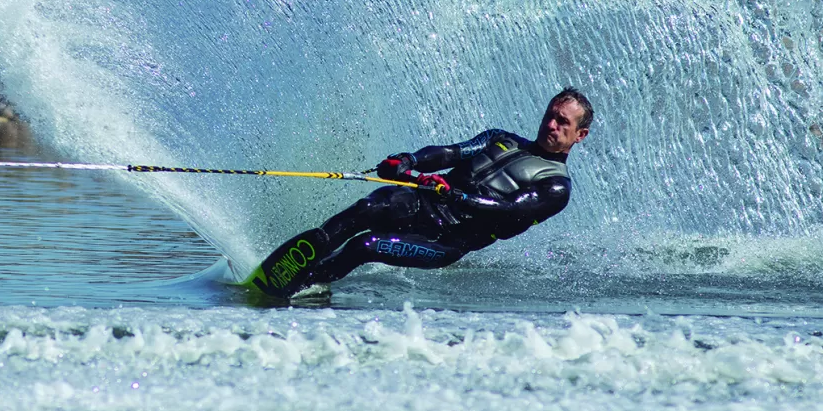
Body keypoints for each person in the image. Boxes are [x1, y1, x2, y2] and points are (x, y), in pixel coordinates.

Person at [246, 87, 593, 299]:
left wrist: (454, 197)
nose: (551, 125)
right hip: (422, 203)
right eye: (551, 115)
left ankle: (304, 287)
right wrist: (408, 160)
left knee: (364, 246)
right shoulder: (498, 138)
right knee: (367, 208)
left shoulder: (556, 187)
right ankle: (297, 262)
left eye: (563, 122)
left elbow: (506, 210)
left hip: (447, 240)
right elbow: (449, 153)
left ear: (580, 135)